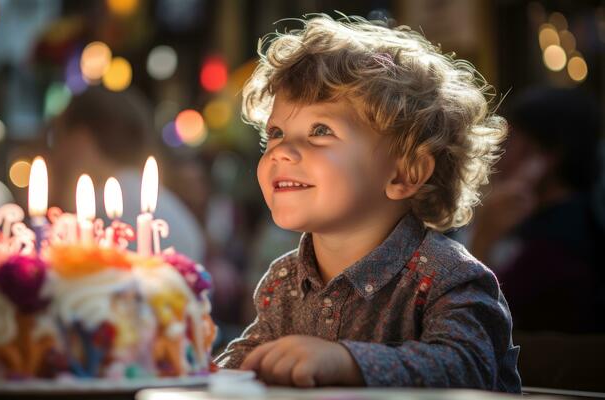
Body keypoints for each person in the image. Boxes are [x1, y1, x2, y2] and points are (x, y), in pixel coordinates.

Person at [214, 15, 521, 392]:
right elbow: (246, 361)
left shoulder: (449, 278)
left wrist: (346, 360)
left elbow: (467, 365)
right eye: (276, 133)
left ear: (404, 174)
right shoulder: (284, 281)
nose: (282, 152)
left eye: (320, 131)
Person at [468, 87, 605, 333]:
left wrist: (484, 236)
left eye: (509, 140)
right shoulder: (569, 220)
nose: (497, 153)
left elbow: (474, 317)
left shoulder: (556, 246)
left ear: (545, 156)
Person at [49, 87, 205, 262]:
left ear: (79, 140)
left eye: (57, 137)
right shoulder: (173, 209)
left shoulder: (103, 220)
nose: (55, 155)